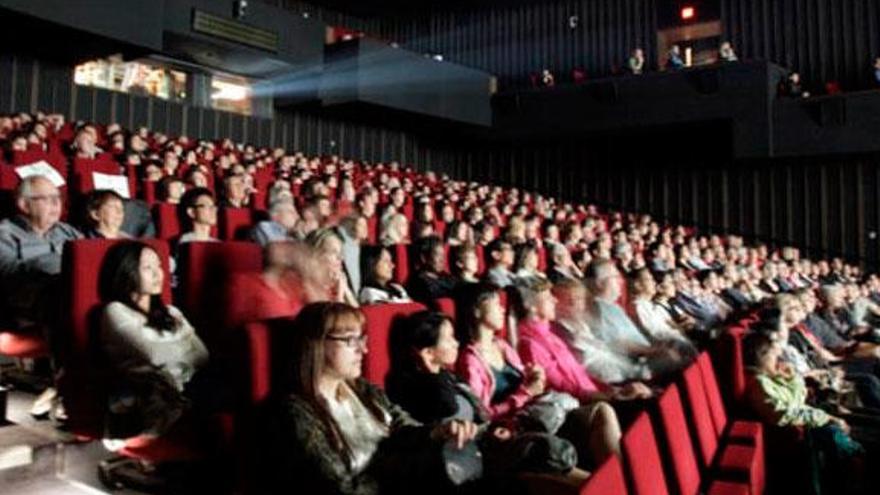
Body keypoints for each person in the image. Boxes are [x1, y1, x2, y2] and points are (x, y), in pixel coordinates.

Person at [270, 302, 479, 495]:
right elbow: (342, 488)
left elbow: (402, 427)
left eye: (362, 339)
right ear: (318, 344)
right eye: (351, 340)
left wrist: (439, 431)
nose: (364, 349)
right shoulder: (295, 412)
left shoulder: (362, 389)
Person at [386, 310, 589, 490]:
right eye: (448, 339)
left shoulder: (448, 376)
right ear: (428, 353)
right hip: (468, 465)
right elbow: (446, 406)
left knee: (548, 447)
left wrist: (497, 428)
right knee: (542, 450)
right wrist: (432, 370)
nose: (456, 343)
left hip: (490, 444)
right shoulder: (416, 387)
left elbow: (481, 415)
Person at [456, 284, 624, 470]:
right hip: (512, 433)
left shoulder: (501, 345)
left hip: (537, 417)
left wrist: (535, 376)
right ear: (476, 311)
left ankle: (621, 477)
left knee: (602, 410)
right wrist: (524, 393)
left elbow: (527, 382)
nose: (501, 308)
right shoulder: (470, 360)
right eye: (495, 304)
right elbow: (483, 416)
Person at [98, 241, 210, 441]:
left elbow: (203, 355)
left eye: (159, 266)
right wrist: (184, 346)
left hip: (191, 386)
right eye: (148, 268)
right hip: (149, 398)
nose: (158, 274)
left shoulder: (171, 312)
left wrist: (176, 355)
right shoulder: (115, 311)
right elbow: (154, 356)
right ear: (127, 271)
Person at [743, 331, 867, 495]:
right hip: (799, 439)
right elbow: (786, 414)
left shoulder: (771, 378)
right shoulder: (760, 384)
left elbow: (799, 401)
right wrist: (826, 418)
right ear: (762, 357)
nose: (778, 359)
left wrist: (792, 378)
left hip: (808, 427)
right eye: (774, 355)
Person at [0, 175, 82, 329]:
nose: (57, 204)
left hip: (73, 297)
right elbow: (8, 273)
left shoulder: (68, 231)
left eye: (58, 198)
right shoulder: (4, 233)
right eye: (48, 198)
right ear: (24, 204)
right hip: (30, 310)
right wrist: (59, 263)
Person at [552, 278, 651, 384]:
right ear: (557, 305)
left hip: (618, 367)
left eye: (579, 298)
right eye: (569, 300)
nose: (576, 303)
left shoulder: (582, 323)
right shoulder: (561, 328)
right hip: (604, 377)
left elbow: (608, 348)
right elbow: (588, 359)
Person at [305, 228, 359, 307]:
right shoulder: (307, 288)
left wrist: (346, 291)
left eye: (341, 253)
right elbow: (335, 318)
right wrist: (340, 295)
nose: (341, 258)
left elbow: (360, 317)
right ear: (315, 255)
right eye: (334, 252)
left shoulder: (337, 283)